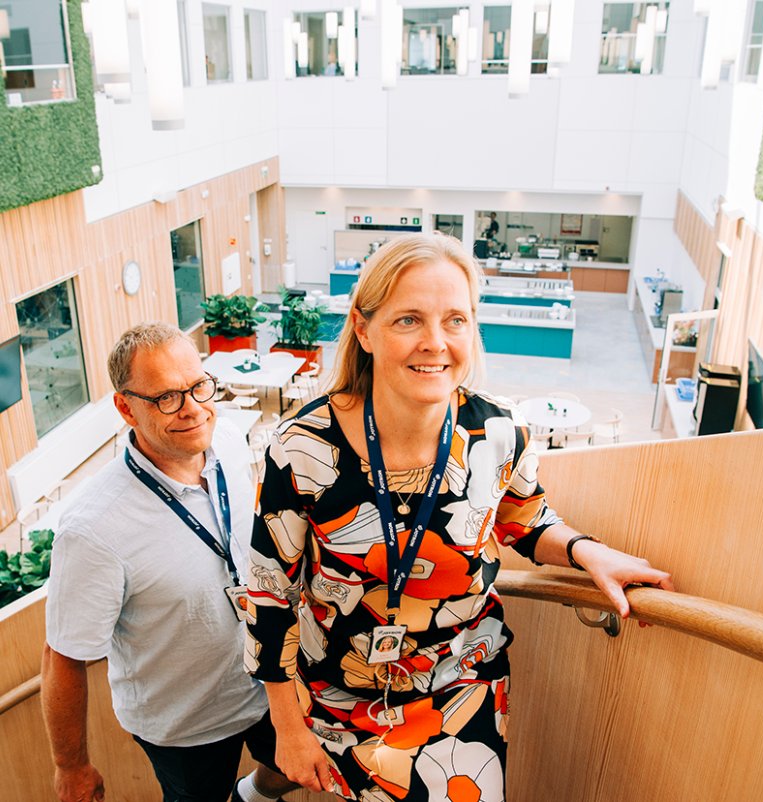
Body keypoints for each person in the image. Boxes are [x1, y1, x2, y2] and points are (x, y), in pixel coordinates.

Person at [244, 234, 674, 800]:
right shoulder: (301, 448)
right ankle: (258, 788)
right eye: (408, 321)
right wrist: (286, 726)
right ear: (364, 329)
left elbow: (525, 519)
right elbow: (271, 593)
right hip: (339, 687)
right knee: (289, 775)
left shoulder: (497, 432)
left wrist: (586, 552)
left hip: (459, 684)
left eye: (455, 320)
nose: (435, 343)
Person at [41, 323, 297, 802]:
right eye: (167, 397)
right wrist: (70, 766)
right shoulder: (91, 528)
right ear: (125, 408)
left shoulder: (232, 445)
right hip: (184, 726)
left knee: (294, 770)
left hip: (267, 688)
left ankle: (252, 795)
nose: (194, 410)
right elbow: (64, 657)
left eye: (199, 387)